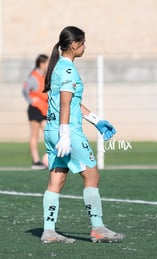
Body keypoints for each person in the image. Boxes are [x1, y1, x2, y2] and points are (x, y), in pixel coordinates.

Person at [40, 26, 125, 244]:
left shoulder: (58, 67)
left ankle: (49, 232)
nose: (85, 46)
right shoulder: (68, 70)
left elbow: (73, 102)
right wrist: (66, 135)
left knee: (56, 180)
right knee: (92, 176)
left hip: (51, 130)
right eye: (83, 42)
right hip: (66, 131)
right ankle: (98, 228)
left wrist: (97, 121)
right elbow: (66, 103)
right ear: (75, 44)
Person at [22, 54, 49, 170]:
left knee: (49, 132)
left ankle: (51, 157)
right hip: (35, 109)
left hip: (44, 109)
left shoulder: (44, 76)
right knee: (35, 135)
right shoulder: (34, 77)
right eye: (47, 63)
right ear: (42, 64)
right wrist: (31, 100)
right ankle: (36, 161)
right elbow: (25, 89)